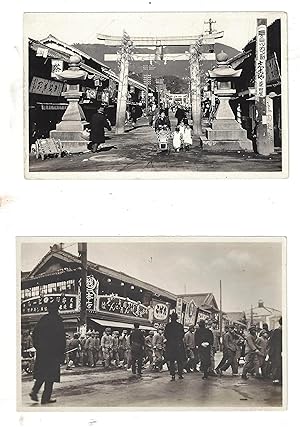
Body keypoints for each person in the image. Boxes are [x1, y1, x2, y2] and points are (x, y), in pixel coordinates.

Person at [29, 300, 66, 404]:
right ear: (56, 310)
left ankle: (34, 391)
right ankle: (45, 398)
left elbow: (34, 334)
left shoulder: (43, 319)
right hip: (53, 354)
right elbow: (61, 339)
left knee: (42, 374)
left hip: (43, 353)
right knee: (50, 376)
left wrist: (38, 347)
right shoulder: (58, 321)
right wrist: (61, 354)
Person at [164, 312, 186, 381]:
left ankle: (173, 375)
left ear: (171, 318)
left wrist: (170, 340)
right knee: (180, 361)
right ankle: (180, 374)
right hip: (179, 345)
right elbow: (182, 335)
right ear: (176, 318)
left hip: (171, 345)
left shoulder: (168, 326)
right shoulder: (180, 325)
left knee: (172, 361)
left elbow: (165, 335)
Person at [269, 317, 282, 385]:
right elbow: (272, 343)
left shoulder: (277, 331)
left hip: (277, 351)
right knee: (277, 365)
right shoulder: (277, 331)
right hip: (277, 351)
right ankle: (276, 379)